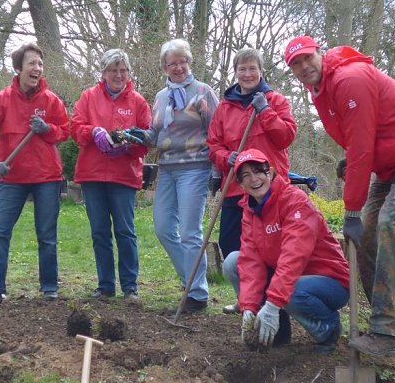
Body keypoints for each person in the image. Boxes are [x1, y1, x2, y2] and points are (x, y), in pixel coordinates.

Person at [284, 36, 395, 356]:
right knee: (367, 236)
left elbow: (361, 144)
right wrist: (355, 163)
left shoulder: (349, 79)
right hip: (390, 164)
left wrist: (351, 211)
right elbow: (361, 136)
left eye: (307, 58)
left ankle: (383, 331)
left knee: (389, 225)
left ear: (320, 52)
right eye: (296, 64)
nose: (303, 67)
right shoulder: (320, 89)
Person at [0, 42, 70, 306]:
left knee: (46, 235)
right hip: (11, 177)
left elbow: (66, 131)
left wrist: (48, 129)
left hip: (47, 176)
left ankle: (49, 288)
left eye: (40, 64)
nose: (37, 69)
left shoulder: (51, 101)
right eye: (32, 63)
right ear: (18, 68)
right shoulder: (1, 100)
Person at [224, 149, 350, 353]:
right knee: (233, 262)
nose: (254, 179)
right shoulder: (250, 211)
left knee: (290, 291)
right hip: (290, 278)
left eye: (258, 171)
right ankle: (274, 333)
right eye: (245, 175)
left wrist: (273, 304)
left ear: (271, 173)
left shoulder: (295, 201)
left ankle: (327, 330)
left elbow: (294, 256)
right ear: (240, 184)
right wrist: (249, 307)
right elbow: (250, 262)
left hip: (328, 280)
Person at [127, 39, 219, 313]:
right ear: (164, 67)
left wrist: (217, 170)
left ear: (189, 63)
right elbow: (156, 135)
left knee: (190, 232)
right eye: (172, 64)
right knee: (164, 229)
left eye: (182, 62)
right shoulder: (161, 97)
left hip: (195, 167)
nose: (178, 67)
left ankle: (197, 294)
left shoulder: (203, 92)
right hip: (167, 169)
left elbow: (217, 133)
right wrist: (137, 135)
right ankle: (190, 281)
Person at [207, 47, 297, 313]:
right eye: (242, 69)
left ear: (261, 71)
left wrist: (266, 111)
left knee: (269, 248)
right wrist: (227, 158)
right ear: (235, 73)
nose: (247, 74)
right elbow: (213, 144)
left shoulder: (275, 100)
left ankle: (272, 301)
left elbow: (286, 137)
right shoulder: (225, 107)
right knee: (231, 246)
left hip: (270, 190)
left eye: (252, 68)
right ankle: (246, 301)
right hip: (236, 188)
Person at [71, 49, 151, 301]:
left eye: (123, 70)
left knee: (125, 231)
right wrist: (94, 132)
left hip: (124, 176)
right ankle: (105, 285)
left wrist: (128, 144)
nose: (118, 75)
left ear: (128, 73)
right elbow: (75, 128)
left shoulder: (138, 102)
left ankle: (130, 286)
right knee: (99, 231)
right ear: (104, 73)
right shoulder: (88, 97)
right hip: (92, 174)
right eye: (113, 70)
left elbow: (147, 139)